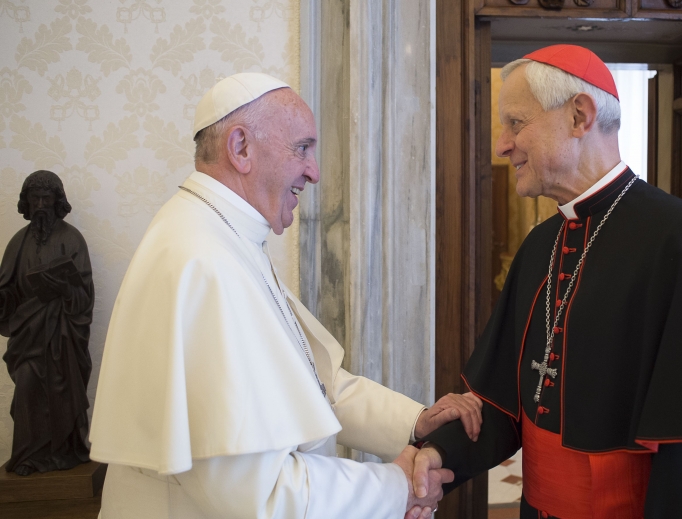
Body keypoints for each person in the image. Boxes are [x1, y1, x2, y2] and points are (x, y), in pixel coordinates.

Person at [89, 72, 483, 519]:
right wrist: (397, 487)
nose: (314, 171)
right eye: (302, 148)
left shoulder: (222, 237)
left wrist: (414, 422)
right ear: (240, 148)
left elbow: (315, 384)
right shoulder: (203, 262)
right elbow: (259, 495)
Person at [412, 45, 682, 518]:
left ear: (580, 116)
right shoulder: (541, 244)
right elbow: (501, 404)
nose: (501, 144)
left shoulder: (673, 238)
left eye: (515, 123)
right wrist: (438, 458)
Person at [0, 170, 94, 476]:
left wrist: (66, 289)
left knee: (63, 391)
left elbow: (85, 295)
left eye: (46, 198)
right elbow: (7, 291)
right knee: (27, 385)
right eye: (34, 198)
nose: (40, 204)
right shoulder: (17, 243)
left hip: (63, 336)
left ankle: (66, 453)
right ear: (26, 202)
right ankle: (28, 457)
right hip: (28, 337)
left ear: (57, 201)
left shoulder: (72, 239)